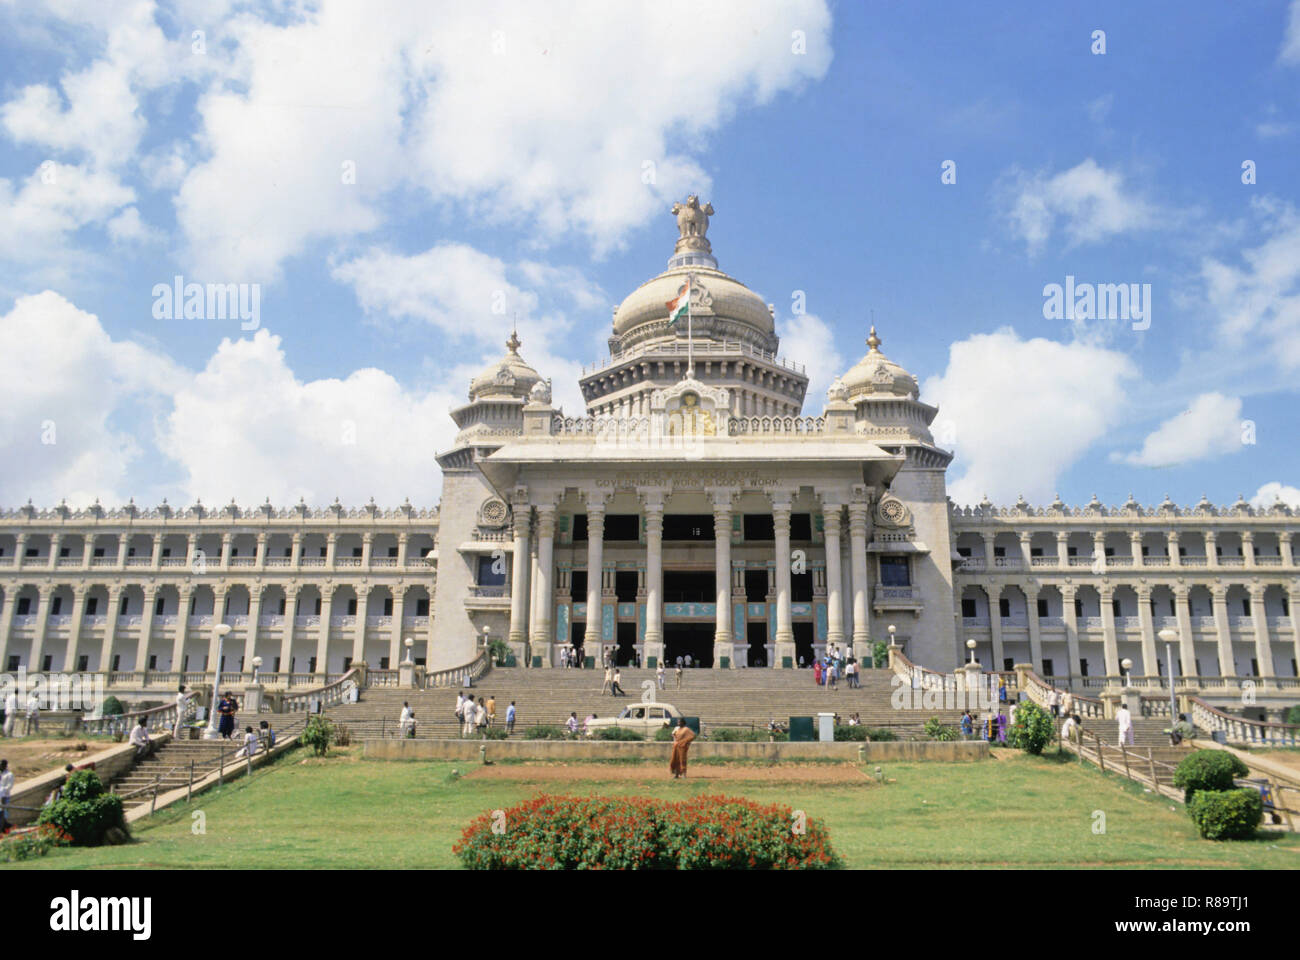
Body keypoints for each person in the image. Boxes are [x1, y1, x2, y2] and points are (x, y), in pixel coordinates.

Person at [0, 759, 12, 832]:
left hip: (5, 796)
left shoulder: (9, 775)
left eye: (1, 765)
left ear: (5, 765)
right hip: (0, 795)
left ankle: (4, 827)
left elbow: (9, 786)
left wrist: (3, 790)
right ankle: (5, 826)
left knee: (3, 812)